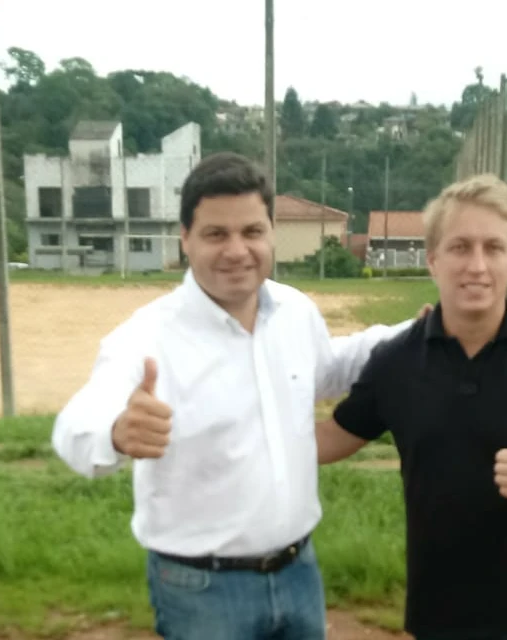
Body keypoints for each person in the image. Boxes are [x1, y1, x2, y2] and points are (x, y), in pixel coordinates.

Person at [51, 151, 418, 639]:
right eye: (216, 234)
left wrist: (418, 333)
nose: (237, 250)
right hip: (202, 592)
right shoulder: (147, 337)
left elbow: (331, 367)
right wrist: (116, 433)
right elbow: (74, 427)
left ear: (271, 233)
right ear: (185, 238)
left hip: (299, 573)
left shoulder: (294, 312)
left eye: (251, 231)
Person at [317, 173, 507, 640]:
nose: (477, 265)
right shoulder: (395, 362)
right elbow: (327, 440)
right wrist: (226, 425)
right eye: (460, 247)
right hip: (442, 616)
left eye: (493, 248)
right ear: (433, 260)